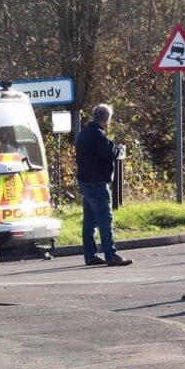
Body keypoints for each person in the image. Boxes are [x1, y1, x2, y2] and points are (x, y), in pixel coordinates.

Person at [75, 103, 132, 267]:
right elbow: (109, 153)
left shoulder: (84, 133)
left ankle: (90, 255)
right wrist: (119, 150)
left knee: (90, 220)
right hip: (97, 182)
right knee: (105, 219)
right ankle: (110, 254)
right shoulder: (98, 135)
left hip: (85, 180)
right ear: (106, 120)